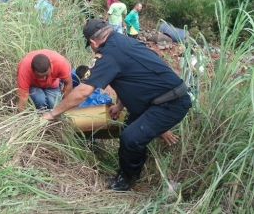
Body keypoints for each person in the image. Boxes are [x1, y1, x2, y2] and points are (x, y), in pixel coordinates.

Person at [42, 19, 191, 191]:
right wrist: (120, 105)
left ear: (92, 42)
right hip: (158, 100)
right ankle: (128, 171)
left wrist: (53, 114)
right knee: (128, 129)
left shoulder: (108, 54)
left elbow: (83, 91)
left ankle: (127, 179)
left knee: (131, 138)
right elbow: (129, 79)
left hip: (169, 103)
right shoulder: (125, 41)